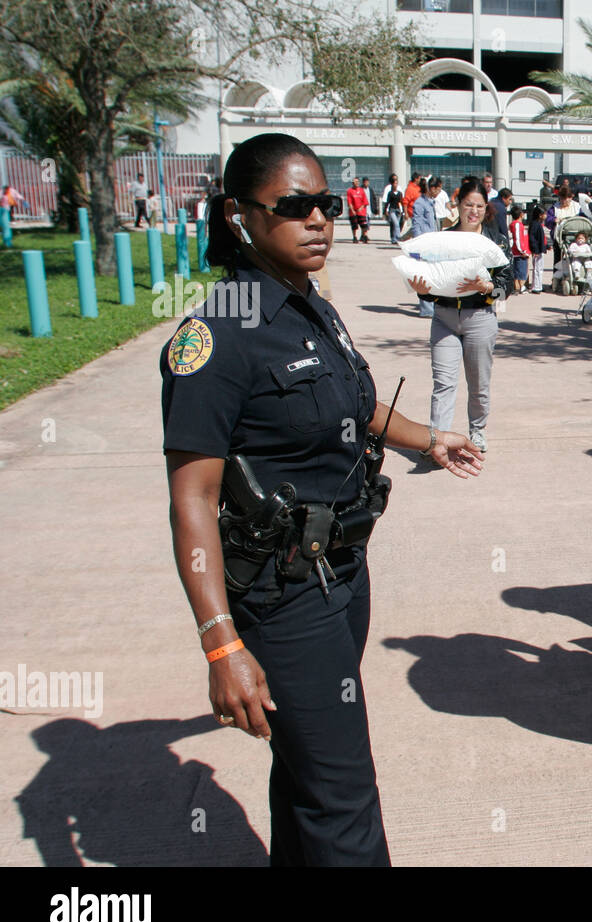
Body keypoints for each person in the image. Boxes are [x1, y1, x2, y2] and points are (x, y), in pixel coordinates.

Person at [161, 132, 484, 866]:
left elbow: (360, 403)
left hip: (342, 578)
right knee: (345, 802)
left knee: (308, 774)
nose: (318, 221)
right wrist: (221, 644)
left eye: (326, 204)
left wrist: (427, 438)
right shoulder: (218, 337)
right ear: (241, 215)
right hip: (282, 600)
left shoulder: (311, 305)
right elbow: (192, 501)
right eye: (295, 206)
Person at [410, 178, 512, 454]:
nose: (474, 211)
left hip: (480, 318)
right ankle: (437, 441)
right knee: (443, 383)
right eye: (469, 204)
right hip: (444, 318)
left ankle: (477, 430)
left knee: (478, 382)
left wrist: (486, 287)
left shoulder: (496, 240)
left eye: (479, 206)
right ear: (458, 205)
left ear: (485, 208)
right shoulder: (444, 240)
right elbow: (432, 285)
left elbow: (507, 287)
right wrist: (422, 290)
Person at [509, 204, 531, 294]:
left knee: (519, 270)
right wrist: (522, 251)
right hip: (520, 253)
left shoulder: (516, 224)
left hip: (519, 252)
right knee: (521, 271)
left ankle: (518, 287)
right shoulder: (517, 225)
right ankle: (520, 287)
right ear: (521, 214)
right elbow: (518, 238)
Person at [528, 204, 548, 294]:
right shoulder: (535, 224)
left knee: (540, 268)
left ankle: (538, 285)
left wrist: (546, 246)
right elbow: (532, 238)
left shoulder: (537, 224)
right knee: (537, 269)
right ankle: (536, 286)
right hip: (537, 251)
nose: (545, 215)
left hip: (539, 249)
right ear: (540, 215)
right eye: (544, 214)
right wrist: (535, 249)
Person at [381, 173, 405, 242]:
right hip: (392, 210)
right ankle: (398, 238)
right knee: (396, 224)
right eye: (394, 182)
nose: (396, 184)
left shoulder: (399, 192)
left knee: (397, 224)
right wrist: (385, 211)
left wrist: (403, 210)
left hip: (398, 210)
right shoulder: (389, 192)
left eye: (396, 182)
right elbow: (387, 202)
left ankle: (394, 239)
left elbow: (401, 202)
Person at [346, 176, 370, 243]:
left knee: (364, 225)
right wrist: (352, 210)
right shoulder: (349, 191)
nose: (356, 183)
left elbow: (365, 201)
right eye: (355, 182)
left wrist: (361, 208)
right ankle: (354, 237)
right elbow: (349, 202)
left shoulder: (361, 190)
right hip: (353, 212)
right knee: (354, 225)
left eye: (357, 182)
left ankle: (364, 236)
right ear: (352, 183)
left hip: (361, 211)